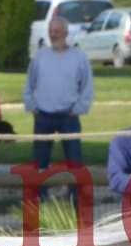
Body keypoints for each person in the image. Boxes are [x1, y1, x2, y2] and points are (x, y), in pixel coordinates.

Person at [22, 14, 95, 194]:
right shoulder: (39, 57)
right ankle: (40, 200)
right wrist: (33, 107)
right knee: (40, 163)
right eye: (50, 31)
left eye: (56, 31)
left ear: (65, 32)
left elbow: (87, 87)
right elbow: (29, 85)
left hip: (68, 117)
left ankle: (75, 199)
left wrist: (78, 109)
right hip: (43, 117)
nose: (53, 34)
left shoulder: (79, 58)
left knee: (75, 163)